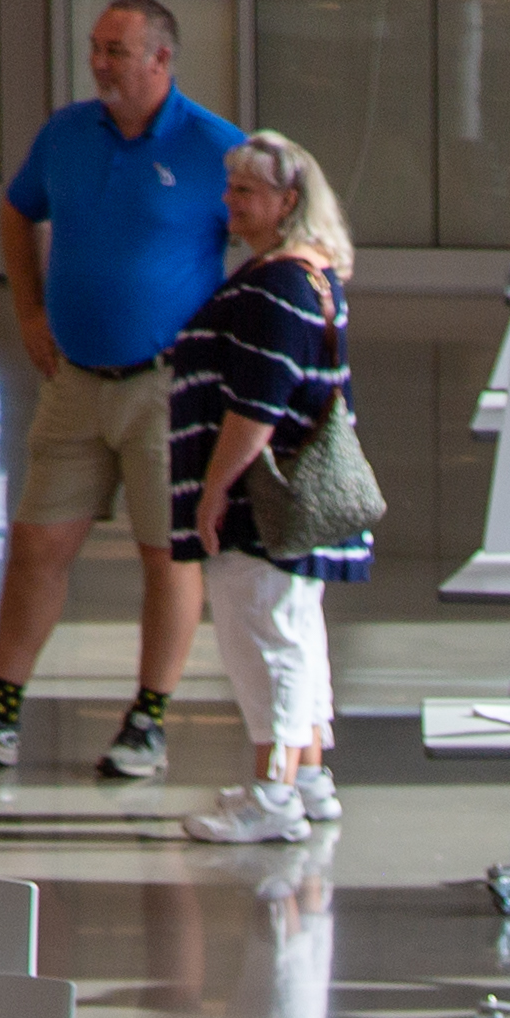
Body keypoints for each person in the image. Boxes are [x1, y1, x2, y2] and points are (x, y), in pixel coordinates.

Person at [0, 0, 237, 787]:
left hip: (168, 390)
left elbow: (276, 228)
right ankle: (1, 709)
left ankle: (148, 721)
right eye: (95, 48)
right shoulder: (66, 135)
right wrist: (28, 309)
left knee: (168, 555)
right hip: (76, 381)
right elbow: (18, 213)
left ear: (162, 60)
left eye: (117, 51)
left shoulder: (214, 150)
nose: (100, 64)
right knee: (38, 544)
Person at [168, 128, 365, 846]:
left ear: (287, 201)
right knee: (294, 632)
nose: (230, 203)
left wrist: (215, 491)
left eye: (245, 192)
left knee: (266, 641)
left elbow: (257, 404)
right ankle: (307, 775)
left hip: (262, 504)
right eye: (230, 189)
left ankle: (273, 792)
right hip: (288, 505)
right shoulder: (313, 276)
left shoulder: (279, 283)